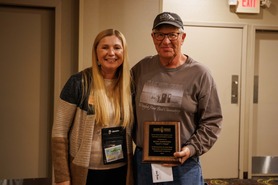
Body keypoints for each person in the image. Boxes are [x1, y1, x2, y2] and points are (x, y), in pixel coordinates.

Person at [131, 12, 223, 185]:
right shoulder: (141, 69)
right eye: (160, 35)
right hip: (145, 163)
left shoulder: (200, 74)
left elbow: (212, 121)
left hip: (184, 164)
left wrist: (191, 149)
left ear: (183, 37)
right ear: (153, 37)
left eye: (172, 34)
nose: (166, 41)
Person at [51, 29, 134, 185]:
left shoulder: (130, 85)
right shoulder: (78, 82)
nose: (111, 53)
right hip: (86, 172)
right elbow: (59, 132)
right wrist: (62, 177)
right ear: (96, 52)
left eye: (117, 47)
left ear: (124, 52)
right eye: (105, 47)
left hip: (121, 171)